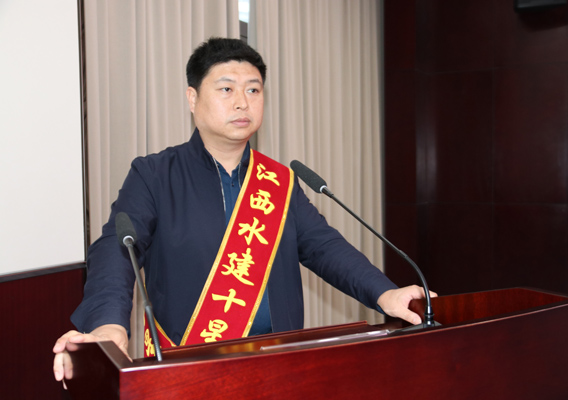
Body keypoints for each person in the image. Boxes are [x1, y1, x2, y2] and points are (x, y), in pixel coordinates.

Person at [53, 37, 436, 384]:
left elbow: (324, 247)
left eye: (253, 90)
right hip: (190, 368)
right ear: (192, 98)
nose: (242, 102)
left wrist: (385, 293)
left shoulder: (279, 181)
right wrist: (107, 325)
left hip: (279, 364)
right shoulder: (154, 175)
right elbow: (117, 248)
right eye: (226, 89)